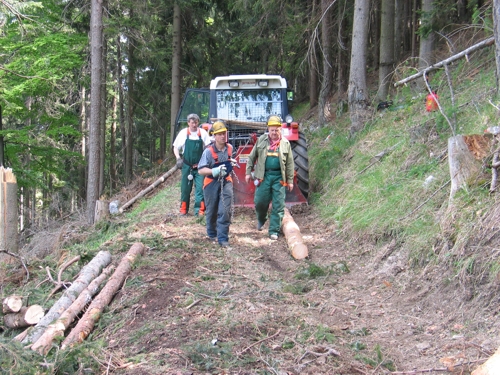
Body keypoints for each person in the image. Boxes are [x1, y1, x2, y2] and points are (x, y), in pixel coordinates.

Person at [245, 115, 295, 240]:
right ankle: (261, 219)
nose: (274, 132)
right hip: (263, 176)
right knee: (260, 202)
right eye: (272, 130)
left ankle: (273, 230)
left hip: (279, 178)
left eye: (276, 130)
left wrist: (290, 181)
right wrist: (247, 172)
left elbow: (289, 163)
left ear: (280, 130)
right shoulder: (261, 140)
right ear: (268, 129)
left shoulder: (285, 143)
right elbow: (251, 157)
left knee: (278, 205)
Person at [198, 120, 234, 247]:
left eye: (224, 133)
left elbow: (228, 160)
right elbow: (201, 169)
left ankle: (223, 238)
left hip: (226, 182)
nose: (222, 136)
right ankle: (212, 233)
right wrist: (215, 170)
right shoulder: (208, 152)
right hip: (211, 183)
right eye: (219, 134)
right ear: (214, 136)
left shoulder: (230, 148)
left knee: (225, 210)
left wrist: (231, 163)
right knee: (212, 210)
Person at [172, 113, 211, 216]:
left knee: (200, 188)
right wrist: (178, 158)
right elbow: (175, 147)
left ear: (198, 122)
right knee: (185, 188)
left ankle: (200, 211)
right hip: (187, 166)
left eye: (196, 122)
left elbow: (208, 147)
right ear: (188, 123)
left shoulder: (202, 133)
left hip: (200, 166)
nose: (194, 125)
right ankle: (183, 210)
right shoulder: (183, 133)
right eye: (192, 122)